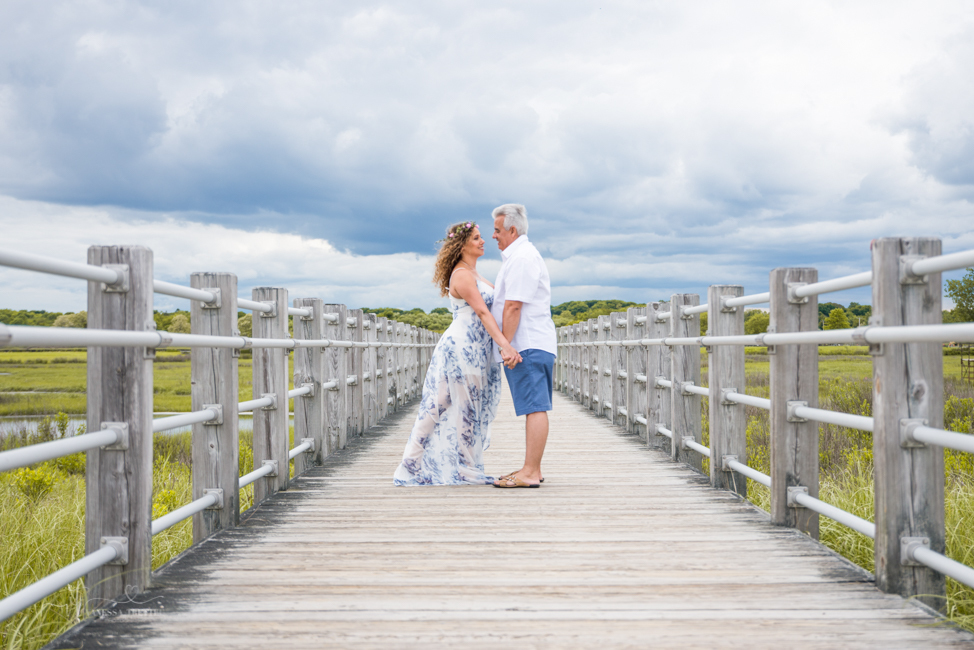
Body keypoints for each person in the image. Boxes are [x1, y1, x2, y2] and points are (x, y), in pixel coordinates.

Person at [393, 221, 522, 485]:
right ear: (462, 245)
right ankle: (454, 468)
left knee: (445, 403)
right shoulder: (462, 275)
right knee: (453, 406)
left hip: (473, 348)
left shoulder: (474, 274)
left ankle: (422, 463)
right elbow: (483, 313)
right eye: (476, 238)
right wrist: (504, 345)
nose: (483, 241)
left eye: (482, 237)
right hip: (462, 347)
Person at [490, 204, 557, 489]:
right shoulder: (520, 257)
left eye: (497, 230)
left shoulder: (521, 258)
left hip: (526, 344)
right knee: (534, 405)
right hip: (530, 342)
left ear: (512, 230)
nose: (494, 236)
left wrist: (505, 344)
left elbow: (513, 306)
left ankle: (530, 472)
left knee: (534, 406)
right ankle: (532, 468)